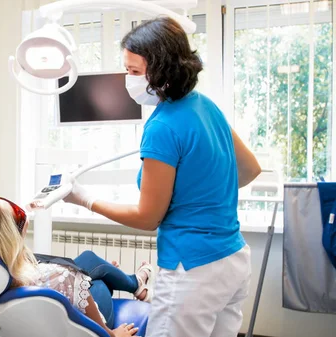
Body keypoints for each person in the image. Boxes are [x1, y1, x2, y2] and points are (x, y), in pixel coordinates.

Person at [63, 17, 262, 337]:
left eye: (134, 72)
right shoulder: (206, 107)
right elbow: (250, 169)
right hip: (233, 259)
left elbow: (147, 217)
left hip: (192, 269)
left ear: (163, 71)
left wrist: (85, 200)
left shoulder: (162, 126)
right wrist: (202, 192)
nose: (127, 80)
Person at [0, 196, 153, 337]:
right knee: (96, 275)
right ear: (9, 238)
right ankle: (135, 282)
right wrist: (112, 334)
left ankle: (134, 281)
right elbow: (100, 332)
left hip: (29, 317)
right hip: (84, 324)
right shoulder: (62, 276)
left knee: (90, 263)